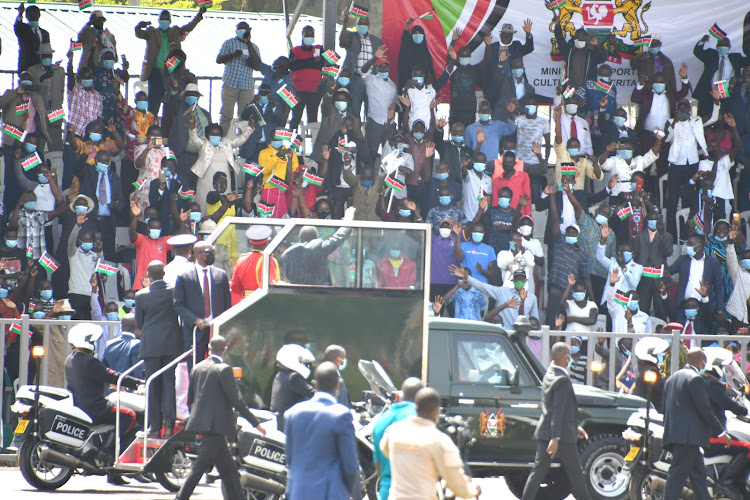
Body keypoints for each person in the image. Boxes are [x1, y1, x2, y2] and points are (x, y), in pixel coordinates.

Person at [174, 335, 266, 500]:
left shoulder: (197, 367)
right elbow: (236, 400)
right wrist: (256, 423)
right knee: (200, 468)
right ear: (225, 349)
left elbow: (190, 398)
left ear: (209, 348)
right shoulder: (224, 369)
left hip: (202, 423)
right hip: (216, 426)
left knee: (228, 469)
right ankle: (180, 497)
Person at [65, 323, 141, 484]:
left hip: (80, 406)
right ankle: (108, 453)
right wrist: (138, 383)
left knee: (117, 418)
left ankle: (113, 471)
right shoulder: (90, 362)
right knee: (130, 416)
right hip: (95, 408)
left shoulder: (70, 360)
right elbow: (113, 375)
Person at [381, 387, 481, 499]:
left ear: (415, 407)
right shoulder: (440, 441)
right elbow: (457, 486)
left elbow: (385, 450)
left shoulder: (394, 431)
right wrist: (473, 490)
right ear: (437, 411)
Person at [522, 342, 591, 500]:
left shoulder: (549, 374)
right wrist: (555, 438)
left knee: (537, 473)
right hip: (561, 437)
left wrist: (574, 427)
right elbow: (558, 411)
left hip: (547, 431)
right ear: (566, 358)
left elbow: (559, 410)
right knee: (576, 474)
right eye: (569, 356)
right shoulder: (562, 380)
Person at [662, 348, 731, 499]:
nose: (704, 366)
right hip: (689, 438)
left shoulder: (672, 378)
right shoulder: (695, 379)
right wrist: (721, 432)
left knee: (699, 476)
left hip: (678, 435)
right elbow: (705, 409)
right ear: (699, 361)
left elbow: (665, 408)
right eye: (704, 362)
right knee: (676, 477)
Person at [284, 362, 359, 500]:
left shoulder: (292, 414)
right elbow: (351, 467)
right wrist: (345, 492)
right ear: (339, 385)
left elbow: (289, 458)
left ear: (314, 384)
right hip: (328, 494)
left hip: (297, 492)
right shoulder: (341, 415)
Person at [134, 260, 182, 439]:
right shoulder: (174, 291)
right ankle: (169, 425)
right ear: (164, 273)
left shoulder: (141, 295)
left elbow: (139, 323)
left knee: (153, 383)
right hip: (171, 343)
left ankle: (154, 427)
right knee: (169, 382)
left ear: (148, 275)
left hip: (151, 345)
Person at [135, 7, 206, 115]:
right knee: (154, 104)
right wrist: (139, 26)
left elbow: (189, 27)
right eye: (162, 20)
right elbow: (139, 34)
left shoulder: (175, 32)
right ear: (158, 21)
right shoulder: (152, 32)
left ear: (170, 22)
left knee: (172, 103)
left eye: (166, 20)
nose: (164, 23)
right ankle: (152, 128)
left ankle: (168, 128)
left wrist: (199, 15)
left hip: (172, 73)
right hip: (156, 72)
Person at [174, 241, 231, 364]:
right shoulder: (184, 276)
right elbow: (178, 304)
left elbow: (227, 303)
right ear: (198, 254)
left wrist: (226, 323)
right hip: (195, 329)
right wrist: (195, 320)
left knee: (219, 364)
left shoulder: (221, 275)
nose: (212, 255)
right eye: (208, 253)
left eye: (213, 252)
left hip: (216, 329)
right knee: (195, 364)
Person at [188, 115, 255, 214]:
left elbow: (240, 140)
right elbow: (194, 139)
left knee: (224, 204)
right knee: (204, 204)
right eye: (212, 135)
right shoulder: (203, 145)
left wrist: (250, 126)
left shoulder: (226, 144)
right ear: (207, 135)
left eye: (218, 135)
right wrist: (192, 126)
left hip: (224, 181)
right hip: (205, 181)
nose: (215, 137)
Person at [372, 377, 423, 500]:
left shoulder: (380, 420)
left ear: (401, 394)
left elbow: (378, 467)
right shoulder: (417, 416)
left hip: (385, 493)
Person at [280, 208, 354, 285]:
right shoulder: (321, 248)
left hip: (297, 291)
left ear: (299, 238)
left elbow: (287, 275)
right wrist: (348, 220)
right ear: (316, 237)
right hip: (319, 292)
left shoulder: (287, 254)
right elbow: (339, 236)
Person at [216, 22, 260, 132]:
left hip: (247, 86)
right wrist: (232, 55)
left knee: (245, 116)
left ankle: (242, 144)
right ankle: (222, 141)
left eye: (244, 29)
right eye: (239, 29)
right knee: (226, 114)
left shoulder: (254, 47)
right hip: (230, 84)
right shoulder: (229, 43)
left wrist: (248, 42)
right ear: (236, 31)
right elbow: (219, 59)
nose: (242, 31)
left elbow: (258, 66)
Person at [693, 33, 749, 118]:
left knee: (724, 116)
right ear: (717, 46)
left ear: (729, 46)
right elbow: (697, 52)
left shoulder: (735, 58)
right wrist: (702, 41)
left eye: (725, 45)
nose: (723, 46)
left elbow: (747, 61)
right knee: (706, 117)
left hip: (726, 89)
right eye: (721, 44)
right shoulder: (710, 54)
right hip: (710, 89)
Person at [338, 12, 382, 116]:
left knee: (370, 112)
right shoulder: (352, 36)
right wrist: (344, 26)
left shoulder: (377, 41)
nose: (362, 25)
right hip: (355, 79)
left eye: (364, 23)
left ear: (368, 25)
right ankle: (355, 131)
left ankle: (368, 131)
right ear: (356, 25)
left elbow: (380, 61)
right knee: (353, 111)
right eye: (360, 23)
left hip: (371, 80)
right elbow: (342, 42)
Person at [270, 343, 315, 431]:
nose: (304, 364)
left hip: (281, 419)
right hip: (291, 422)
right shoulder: (293, 377)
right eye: (300, 360)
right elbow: (312, 393)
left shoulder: (280, 375)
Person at [231, 225, 279, 304]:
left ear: (251, 243)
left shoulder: (242, 259)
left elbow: (235, 287)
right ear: (266, 243)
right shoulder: (267, 259)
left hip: (242, 304)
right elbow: (270, 287)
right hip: (260, 304)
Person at [288, 26, 324, 130]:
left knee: (313, 119)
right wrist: (311, 61)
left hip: (314, 91)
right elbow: (292, 66)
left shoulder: (318, 48)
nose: (309, 37)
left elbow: (319, 64)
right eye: (307, 35)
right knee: (295, 118)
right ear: (302, 36)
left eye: (311, 35)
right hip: (297, 91)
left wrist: (300, 62)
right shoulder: (294, 50)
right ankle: (292, 143)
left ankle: (314, 144)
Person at [553, 21, 606, 88]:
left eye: (582, 39)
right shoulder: (569, 51)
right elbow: (560, 40)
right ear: (574, 39)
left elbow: (603, 58)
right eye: (578, 39)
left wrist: (597, 46)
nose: (579, 41)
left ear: (587, 41)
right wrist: (557, 25)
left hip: (585, 91)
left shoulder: (591, 55)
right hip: (569, 89)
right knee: (567, 98)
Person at [397, 21, 435, 92]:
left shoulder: (426, 53)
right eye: (415, 33)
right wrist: (406, 28)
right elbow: (404, 41)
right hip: (407, 86)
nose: (418, 35)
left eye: (420, 33)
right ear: (411, 35)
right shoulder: (407, 51)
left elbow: (430, 72)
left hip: (423, 89)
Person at [103, 313, 143, 379]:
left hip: (112, 387)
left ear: (121, 326)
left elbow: (104, 369)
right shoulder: (137, 344)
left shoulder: (109, 344)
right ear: (137, 327)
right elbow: (138, 372)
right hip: (130, 387)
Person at [14, 3, 50, 73]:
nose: (34, 16)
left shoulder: (45, 33)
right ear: (27, 16)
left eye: (36, 13)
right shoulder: (24, 30)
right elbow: (17, 27)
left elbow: (47, 51)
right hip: (26, 68)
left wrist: (48, 65)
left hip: (41, 69)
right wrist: (20, 14)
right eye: (31, 14)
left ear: (39, 15)